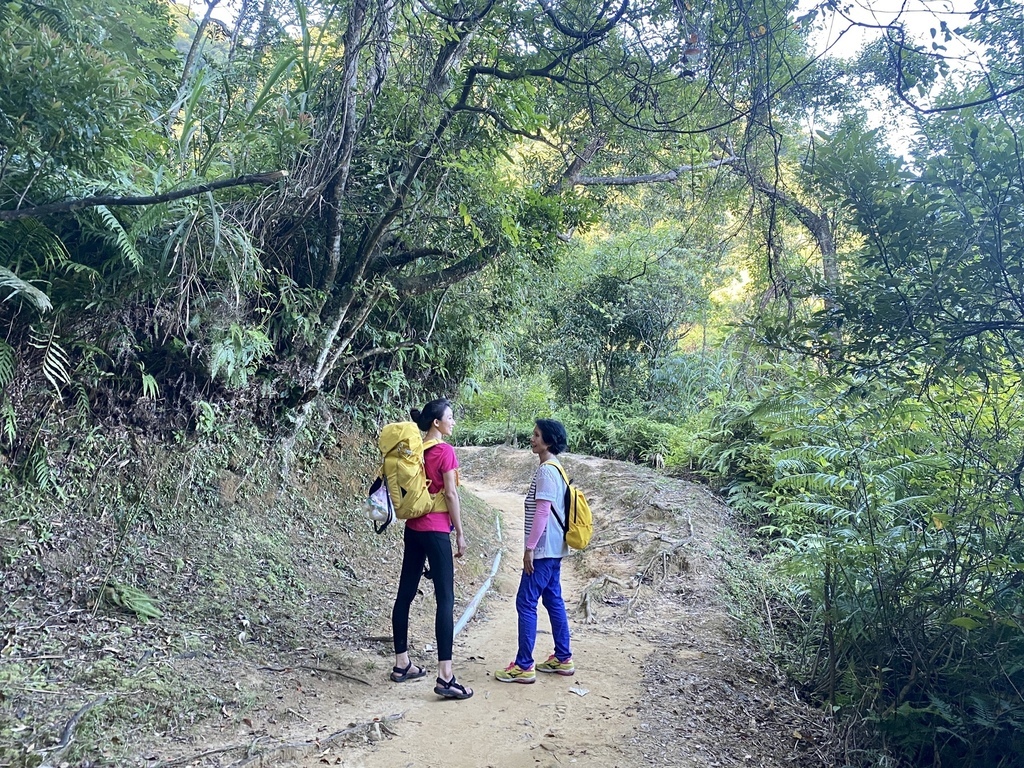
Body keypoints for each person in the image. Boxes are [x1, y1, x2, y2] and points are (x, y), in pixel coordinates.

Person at [389, 398, 473, 700]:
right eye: (449, 417)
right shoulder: (445, 451)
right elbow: (450, 494)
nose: (452, 422)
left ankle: (402, 664)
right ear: (436, 422)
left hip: (413, 529)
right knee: (445, 600)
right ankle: (446, 676)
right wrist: (460, 534)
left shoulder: (412, 450)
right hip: (437, 532)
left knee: (405, 594)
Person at [495, 418, 575, 683]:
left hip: (543, 549)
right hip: (554, 548)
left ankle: (523, 665)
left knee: (526, 601)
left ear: (549, 442)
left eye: (537, 435)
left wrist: (529, 549)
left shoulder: (546, 471)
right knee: (553, 599)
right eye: (533, 434)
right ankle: (563, 658)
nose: (532, 438)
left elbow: (542, 511)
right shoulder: (556, 469)